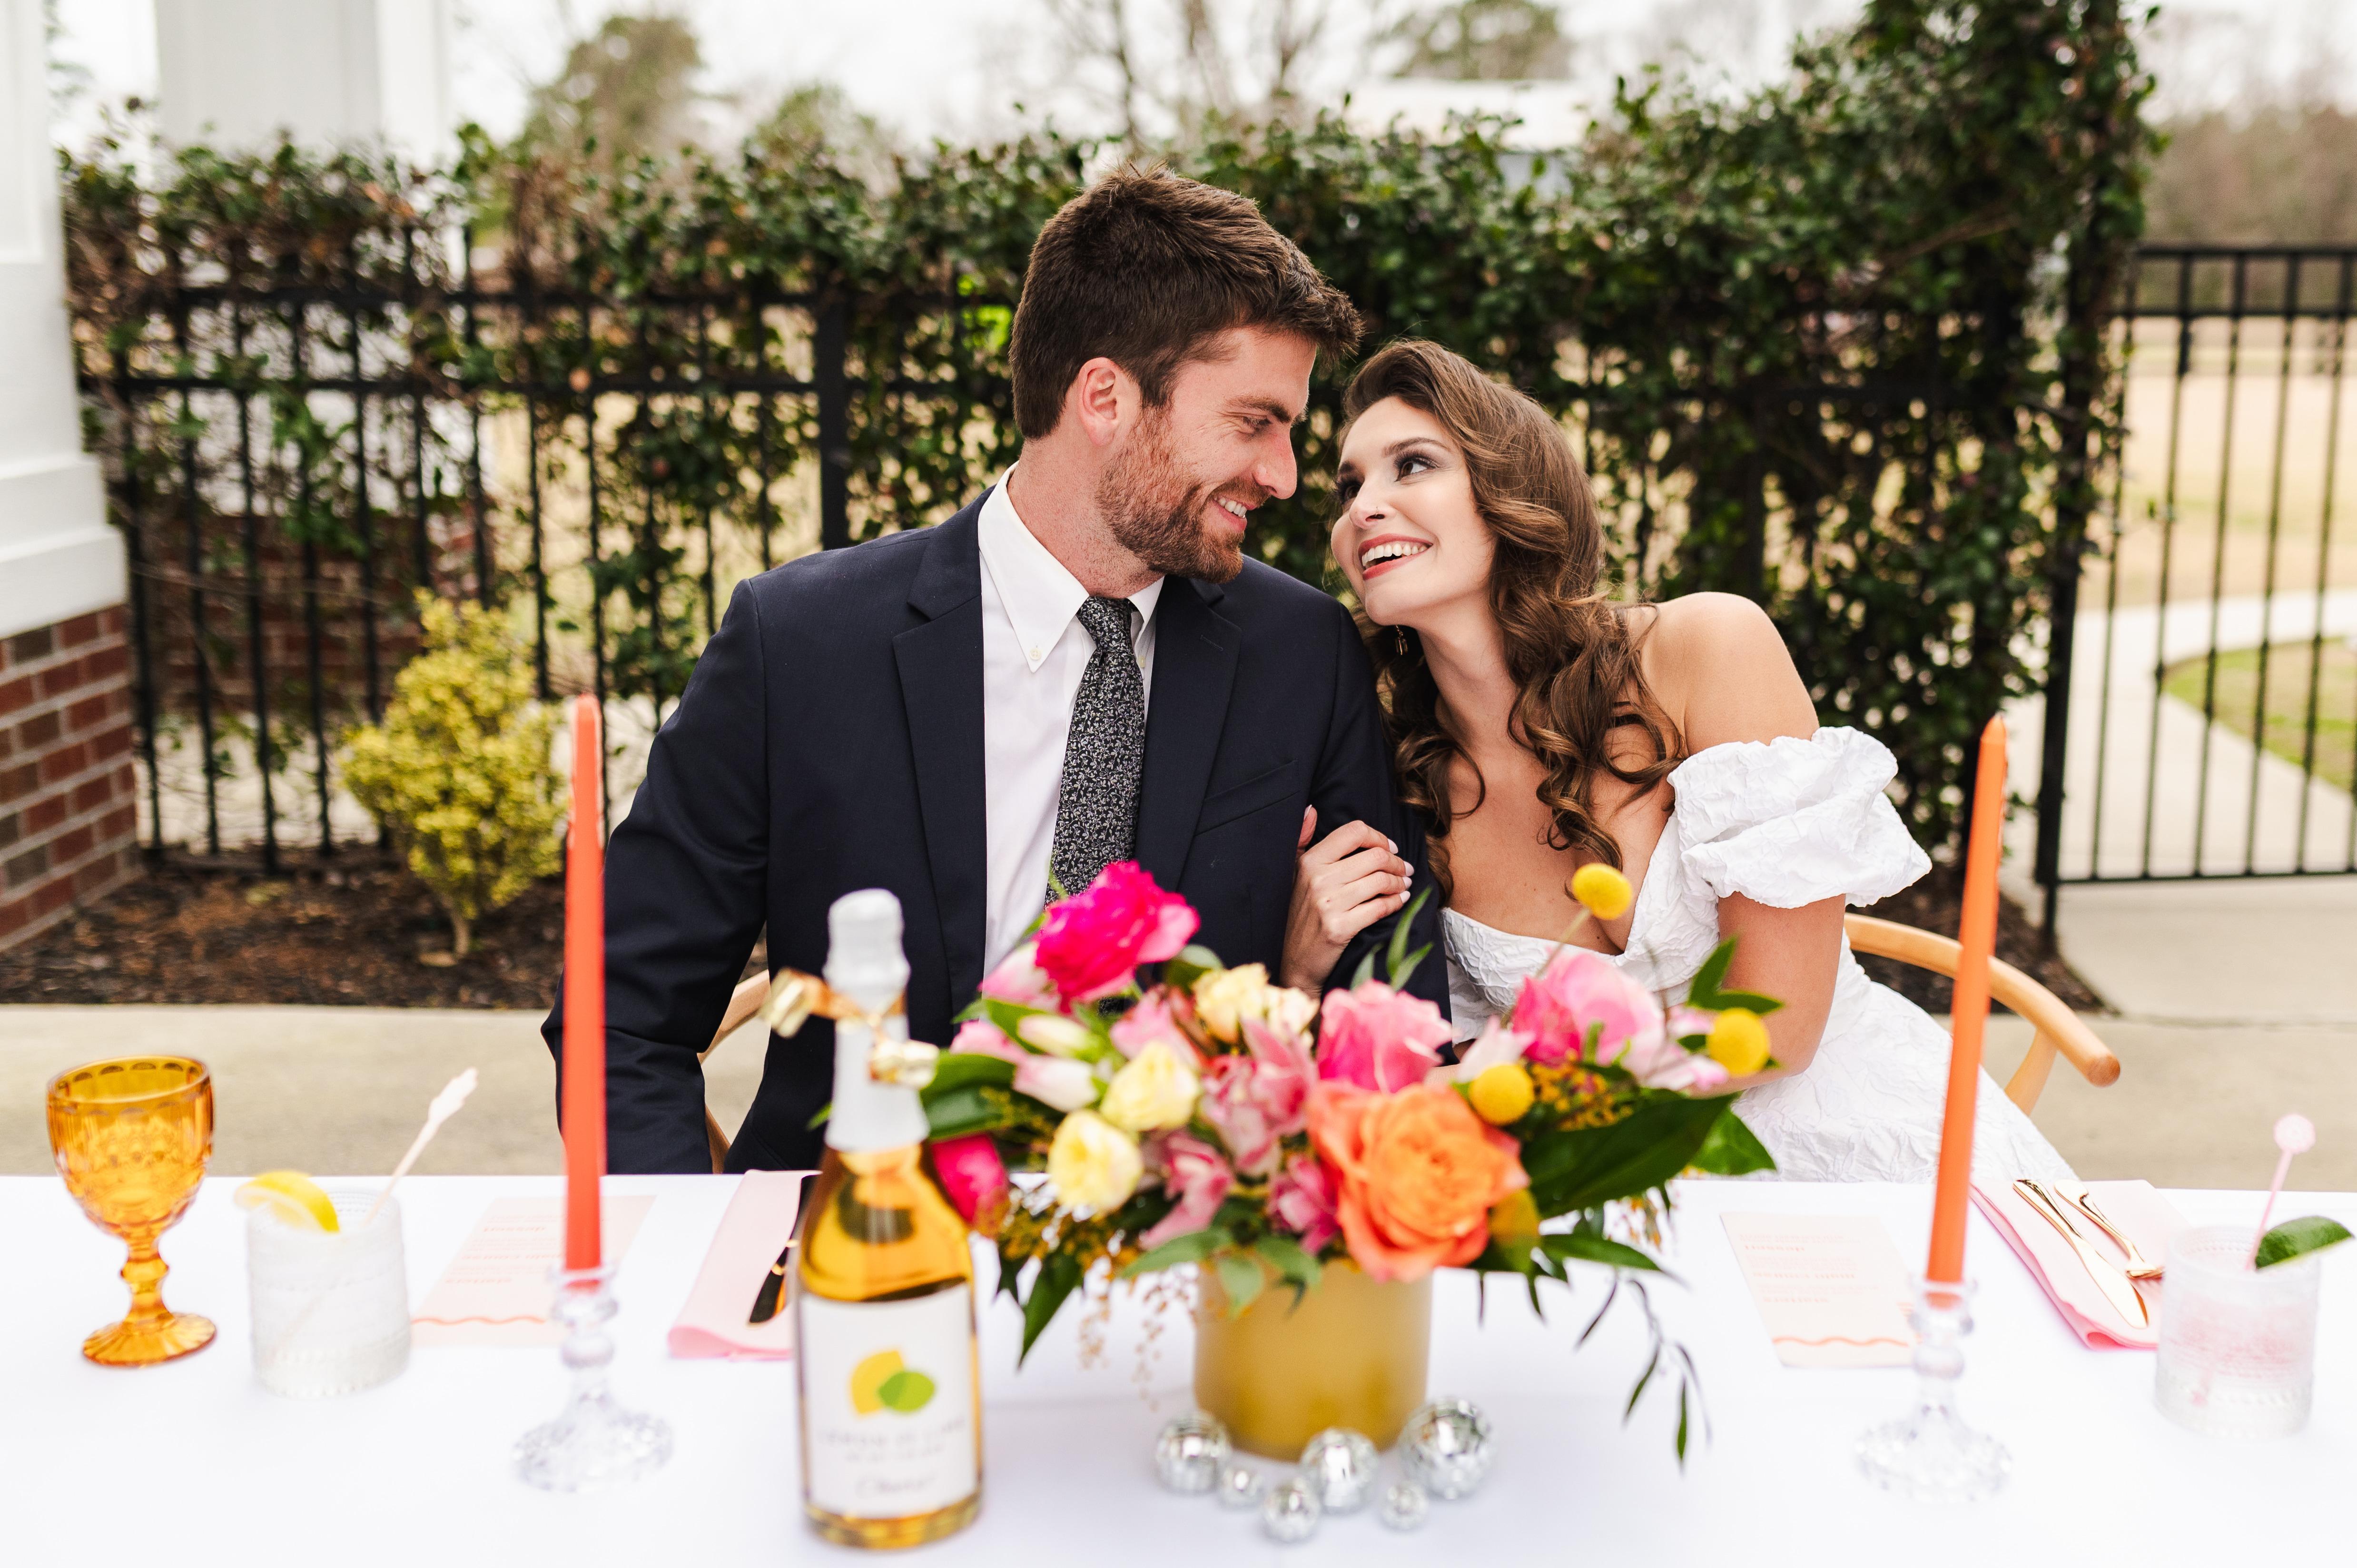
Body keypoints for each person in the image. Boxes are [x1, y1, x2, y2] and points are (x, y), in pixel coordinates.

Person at [547, 169, 1443, 1174]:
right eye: (1252, 422)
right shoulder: (796, 643)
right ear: (1104, 397)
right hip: (854, 1226)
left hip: (1186, 1237)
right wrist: (691, 1246)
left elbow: (1389, 1010)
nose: (1282, 475)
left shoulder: (1301, 651)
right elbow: (621, 1019)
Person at [1288, 338, 2072, 1184]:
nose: (1364, 508)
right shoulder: (1393, 766)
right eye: (1348, 487)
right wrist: (1300, 966)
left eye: (1412, 465)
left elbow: (1776, 1027)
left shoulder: (1706, 651)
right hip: (1601, 1186)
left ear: (1510, 494)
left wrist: (1485, 1091)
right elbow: (1432, 1035)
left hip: (1856, 1150)